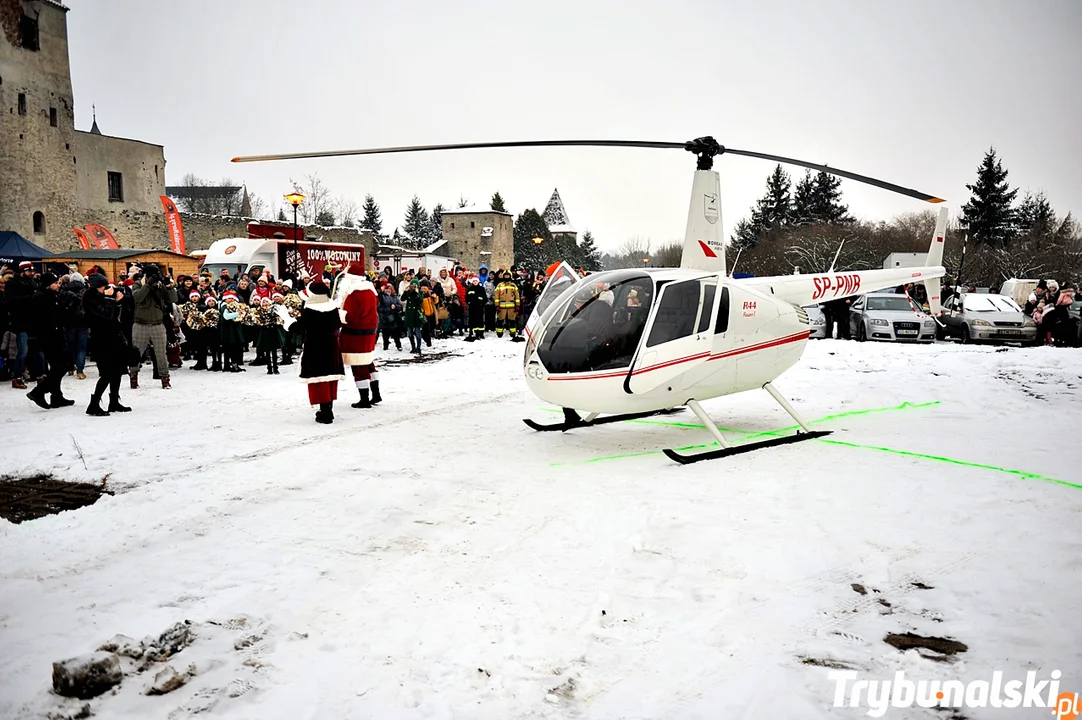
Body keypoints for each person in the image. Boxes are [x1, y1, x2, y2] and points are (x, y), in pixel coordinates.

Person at [278, 280, 345, 424]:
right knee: (329, 378)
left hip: (315, 348)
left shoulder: (310, 310)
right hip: (332, 346)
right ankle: (328, 409)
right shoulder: (332, 308)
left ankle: (325, 413)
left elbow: (299, 328)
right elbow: (337, 324)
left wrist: (286, 319)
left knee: (319, 379)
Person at [333, 262, 382, 408]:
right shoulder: (370, 291)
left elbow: (351, 317)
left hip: (355, 334)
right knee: (368, 362)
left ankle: (364, 399)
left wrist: (337, 314)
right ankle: (376, 393)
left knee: (358, 365)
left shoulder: (354, 293)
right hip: (369, 333)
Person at [82, 274, 132, 416]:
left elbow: (113, 315)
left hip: (113, 337)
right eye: (105, 287)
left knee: (117, 371)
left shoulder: (102, 296)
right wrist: (110, 299)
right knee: (107, 373)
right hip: (101, 340)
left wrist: (118, 302)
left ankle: (114, 401)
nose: (107, 289)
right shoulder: (90, 298)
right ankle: (94, 404)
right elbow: (105, 316)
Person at [25, 272, 75, 409]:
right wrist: (63, 306)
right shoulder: (41, 297)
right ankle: (39, 391)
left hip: (54, 334)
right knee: (61, 366)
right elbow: (49, 316)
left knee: (58, 366)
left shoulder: (49, 295)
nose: (58, 285)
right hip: (48, 336)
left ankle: (56, 396)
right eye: (55, 283)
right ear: (48, 284)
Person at [127, 263, 178, 389]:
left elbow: (173, 299)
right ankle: (133, 376)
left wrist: (168, 286)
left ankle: (165, 378)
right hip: (140, 324)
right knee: (136, 353)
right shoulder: (138, 284)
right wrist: (148, 285)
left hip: (157, 323)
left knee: (161, 353)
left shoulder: (161, 286)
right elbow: (137, 298)